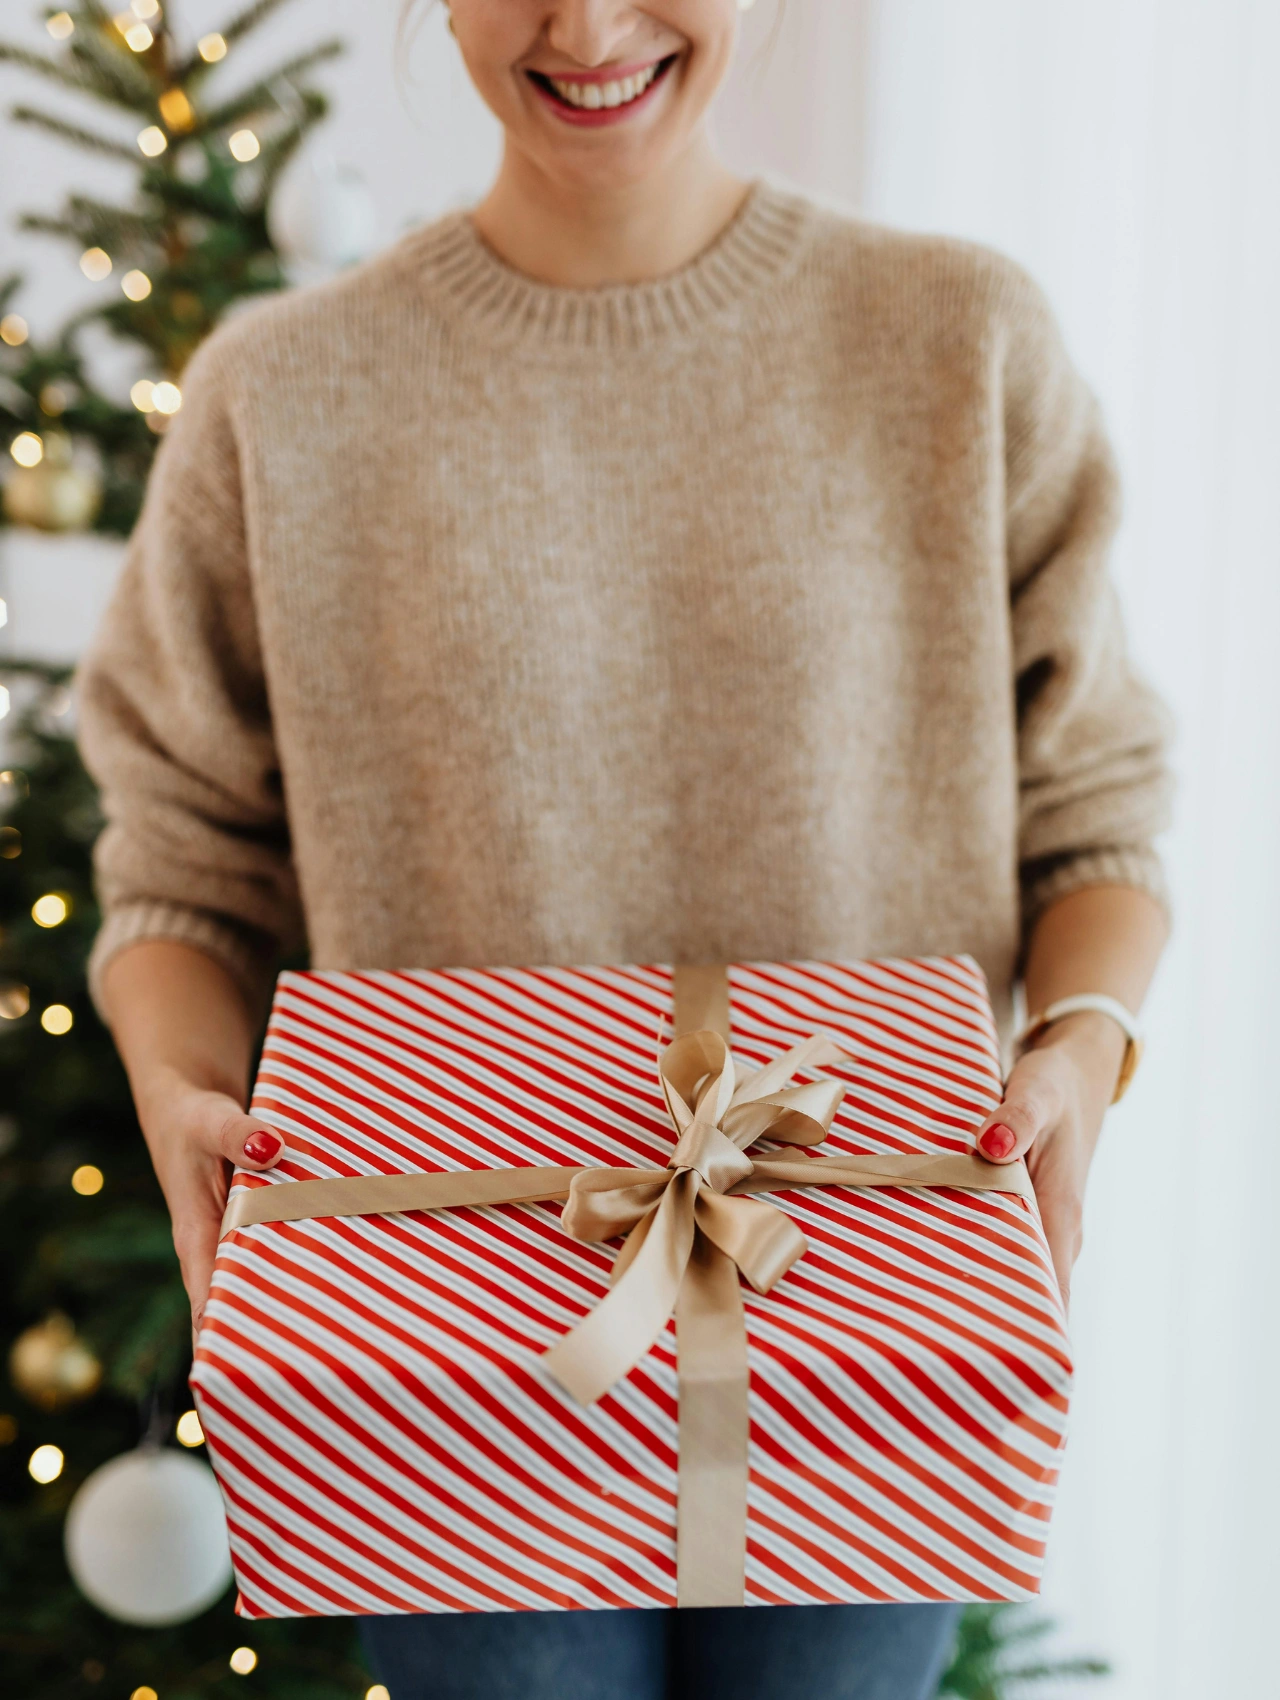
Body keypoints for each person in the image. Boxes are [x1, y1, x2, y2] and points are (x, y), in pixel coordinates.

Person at [76, 1, 1173, 1696]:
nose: (586, 25)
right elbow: (177, 865)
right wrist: (179, 1090)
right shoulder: (278, 400)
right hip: (442, 1347)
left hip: (868, 1322)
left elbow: (1095, 814)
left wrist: (1083, 1056)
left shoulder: (959, 340)